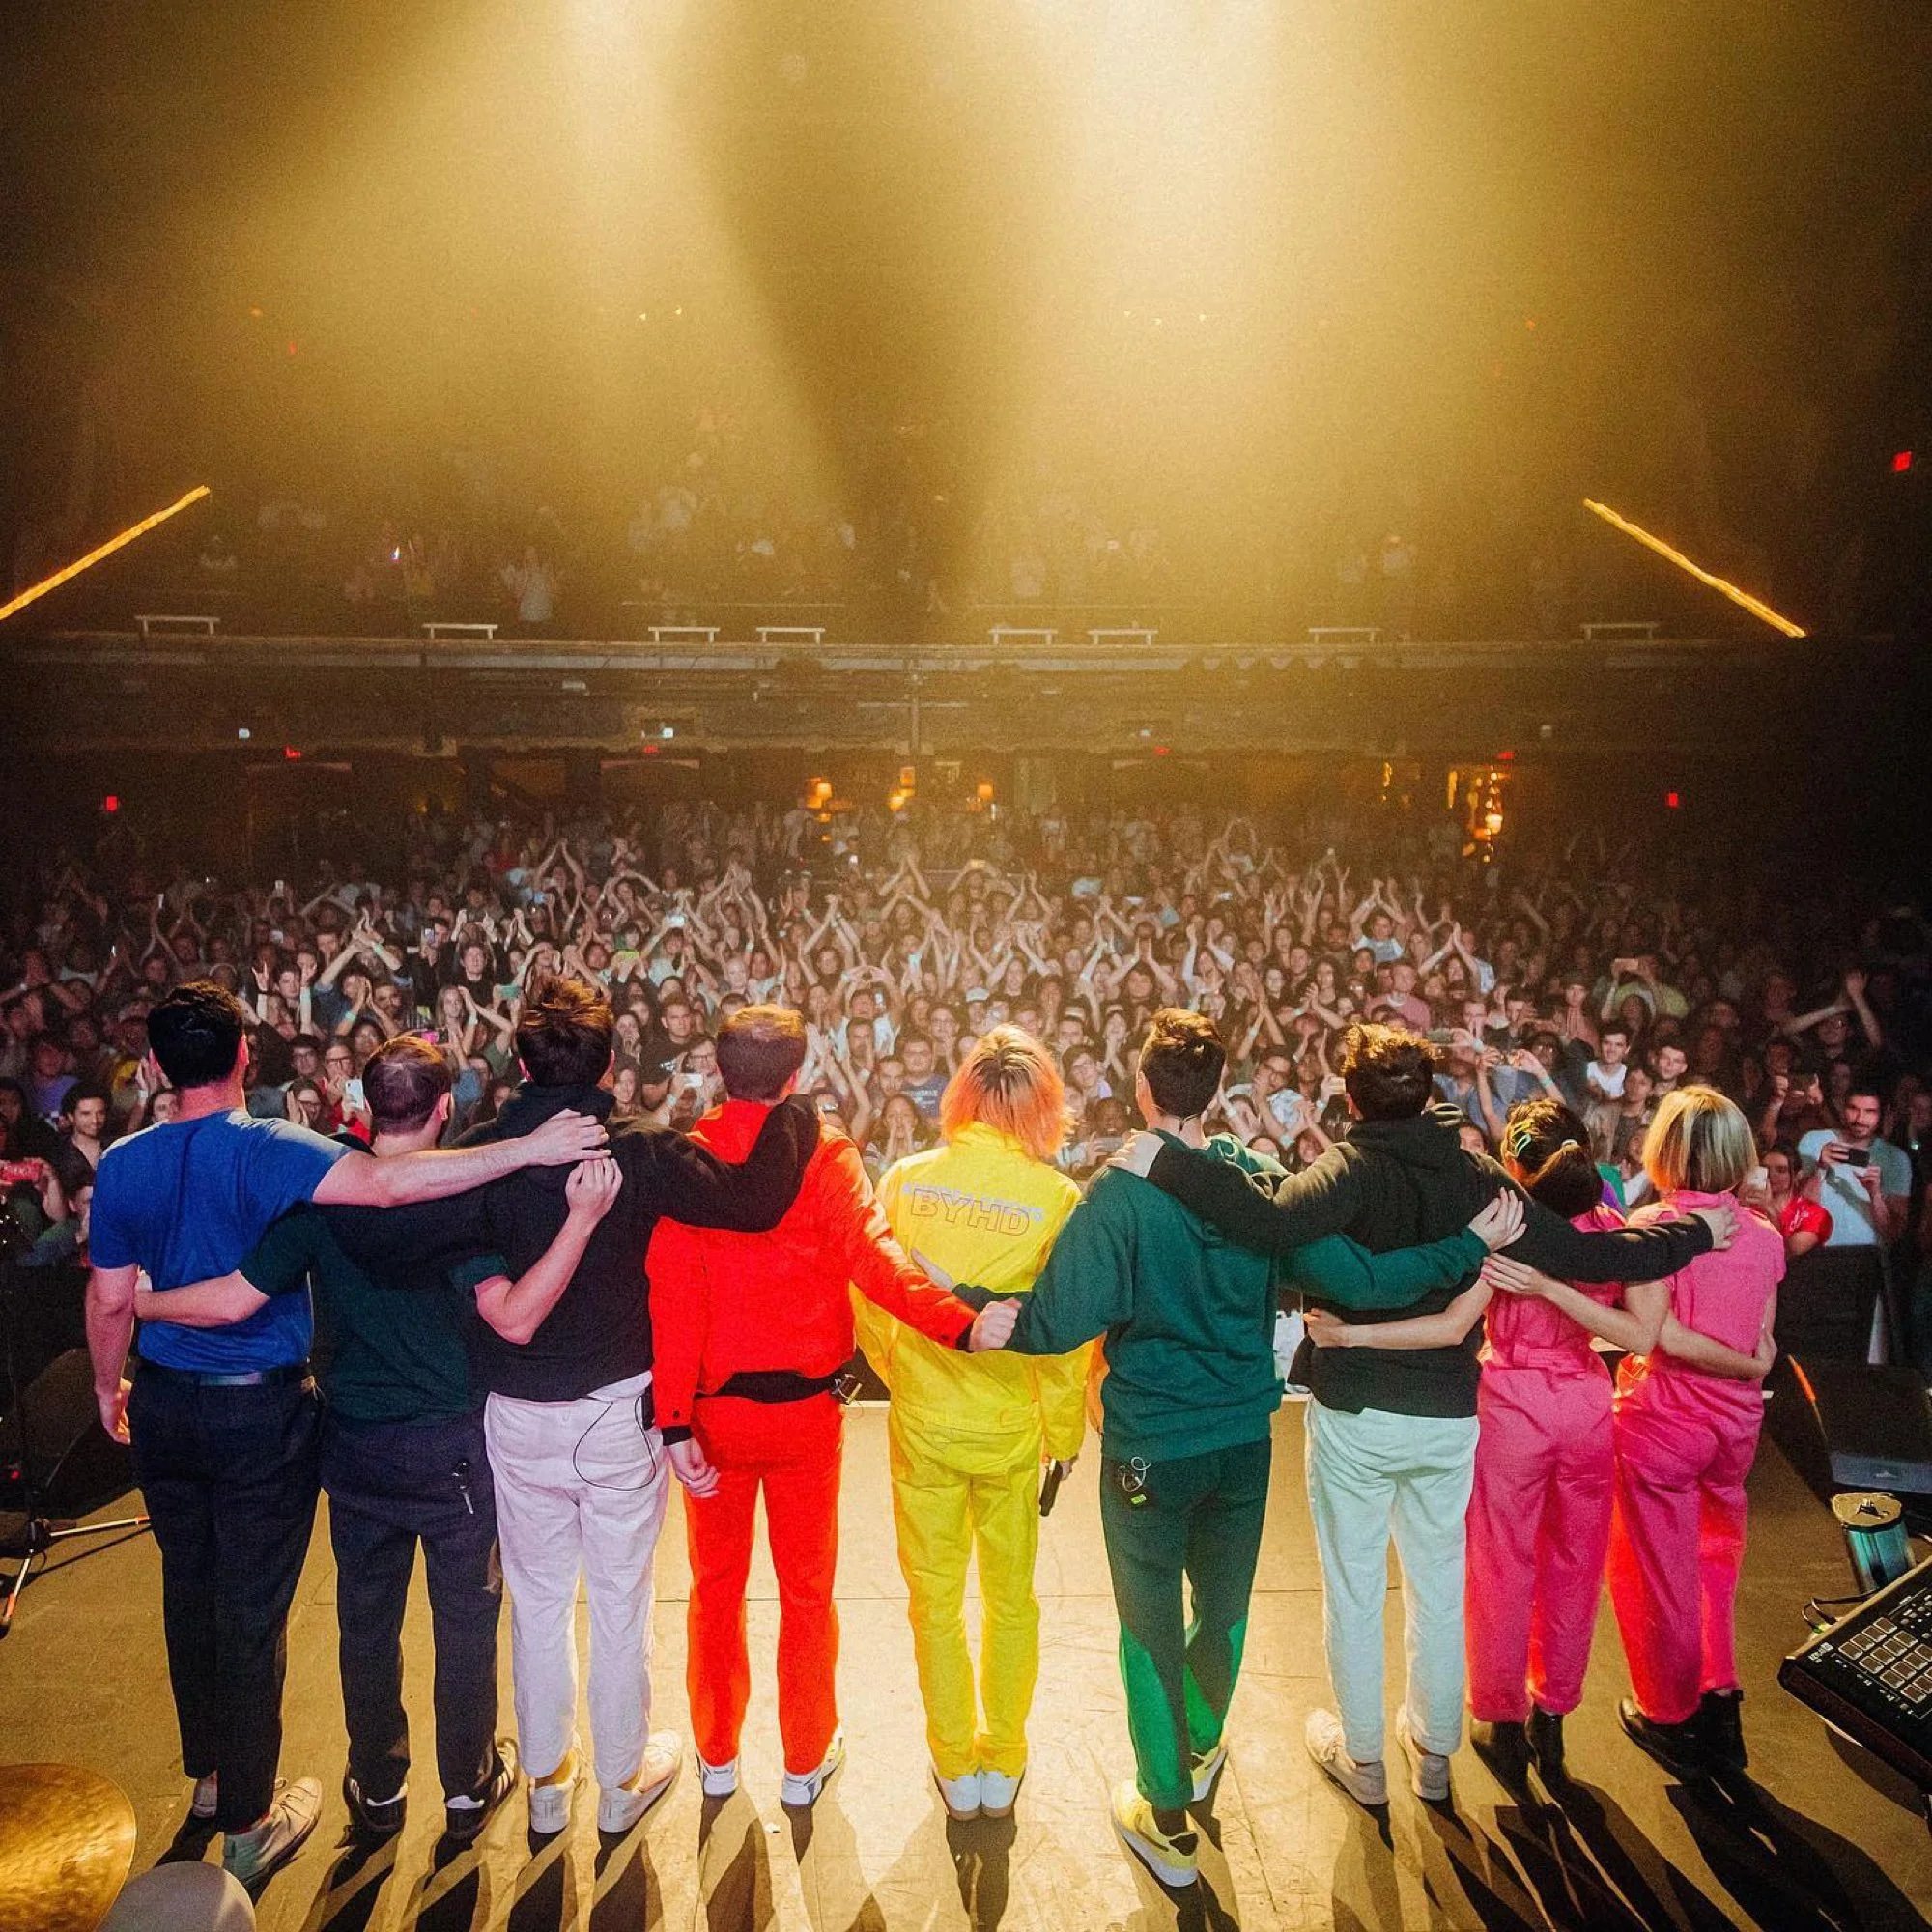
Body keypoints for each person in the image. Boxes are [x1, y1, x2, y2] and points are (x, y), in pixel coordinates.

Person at [1111, 1022, 1729, 1807]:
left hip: (1356, 1408)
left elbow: (1261, 1223)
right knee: (1438, 1587)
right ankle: (1433, 1756)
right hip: (1447, 1416)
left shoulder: (1345, 1172)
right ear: (1433, 1089)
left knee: (1355, 1588)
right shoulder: (1479, 1180)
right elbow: (1600, 1255)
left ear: (1348, 1095)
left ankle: (1363, 1760)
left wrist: (1166, 1161)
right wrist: (1698, 1229)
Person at [82, 982, 607, 1886]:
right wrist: (562, 1188)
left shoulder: (269, 1189)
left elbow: (229, 1294)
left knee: (350, 1619)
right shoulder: (417, 1194)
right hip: (436, 1448)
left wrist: (132, 1320)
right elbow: (496, 1296)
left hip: (337, 1442)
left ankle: (371, 1790)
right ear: (445, 1107)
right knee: (458, 1619)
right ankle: (469, 1786)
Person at [983, 1011, 1518, 1888]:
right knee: (1223, 1608)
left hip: (1151, 1445)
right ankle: (1198, 1754)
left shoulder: (1118, 1191)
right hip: (1243, 1439)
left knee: (1149, 1625)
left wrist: (978, 1307)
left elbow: (1050, 1325)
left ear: (1143, 1090)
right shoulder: (1266, 1183)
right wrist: (1470, 1244)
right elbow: (1365, 1282)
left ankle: (1165, 1816)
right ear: (1221, 1092)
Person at [441, 976, 824, 1836]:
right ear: (612, 1063)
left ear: (519, 1063)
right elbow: (755, 1202)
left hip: (515, 1411)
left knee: (536, 1602)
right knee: (619, 1601)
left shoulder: (479, 1153)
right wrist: (794, 1114)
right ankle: (619, 1783)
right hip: (618, 1412)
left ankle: (547, 1785)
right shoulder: (640, 1149)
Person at [1307, 1097, 1771, 1788]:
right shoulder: (1617, 1227)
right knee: (1575, 1570)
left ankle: (1500, 1717)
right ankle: (1551, 1718)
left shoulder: (1507, 1225)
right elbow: (1640, 1335)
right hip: (1587, 1407)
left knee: (1501, 1570)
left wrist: (1347, 1335)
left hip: (1512, 1408)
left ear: (1518, 1162)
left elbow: (1451, 1322)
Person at [647, 1005, 1008, 1807]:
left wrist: (672, 1421)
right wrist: (963, 1324)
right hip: (807, 1419)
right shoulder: (828, 1155)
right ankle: (804, 1764)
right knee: (807, 1594)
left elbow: (672, 1300)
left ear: (716, 1067)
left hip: (713, 1419)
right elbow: (880, 1267)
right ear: (799, 1077)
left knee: (715, 1590)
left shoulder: (687, 1160)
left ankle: (716, 1754)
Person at [856, 1026, 1088, 1822]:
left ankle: (955, 1764)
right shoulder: (1058, 1198)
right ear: (1042, 1107)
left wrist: (907, 1376)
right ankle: (1006, 1757)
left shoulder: (906, 1180)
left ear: (961, 1095)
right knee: (1013, 1599)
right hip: (1013, 1431)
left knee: (934, 1600)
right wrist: (1063, 1433)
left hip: (923, 1427)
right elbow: (1067, 1338)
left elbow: (873, 1299)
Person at [1599, 1088, 1780, 1775]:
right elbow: (1762, 1339)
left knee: (1657, 1577)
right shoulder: (1762, 1236)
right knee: (1715, 1566)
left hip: (1664, 1422)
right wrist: (1745, 1366)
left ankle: (1669, 1715)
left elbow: (1661, 1337)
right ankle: (1721, 1696)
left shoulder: (1652, 1227)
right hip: (1736, 1427)